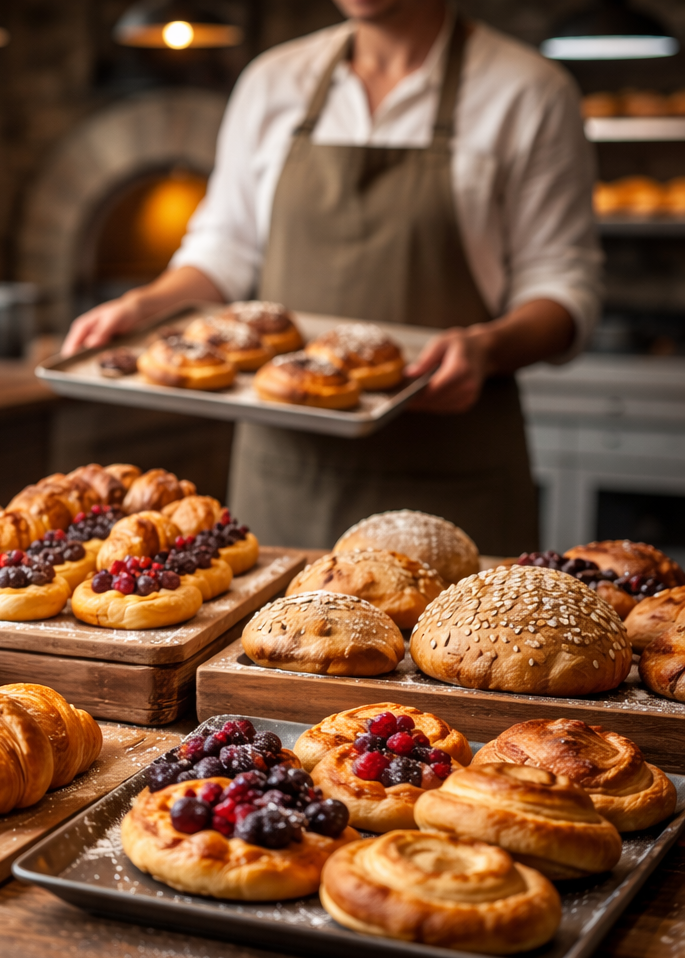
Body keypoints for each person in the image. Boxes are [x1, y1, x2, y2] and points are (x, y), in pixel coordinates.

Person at [63, 0, 601, 552]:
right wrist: (145, 306)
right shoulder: (274, 82)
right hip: (285, 477)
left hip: (452, 474)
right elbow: (225, 249)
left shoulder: (528, 91)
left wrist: (489, 347)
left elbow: (562, 284)